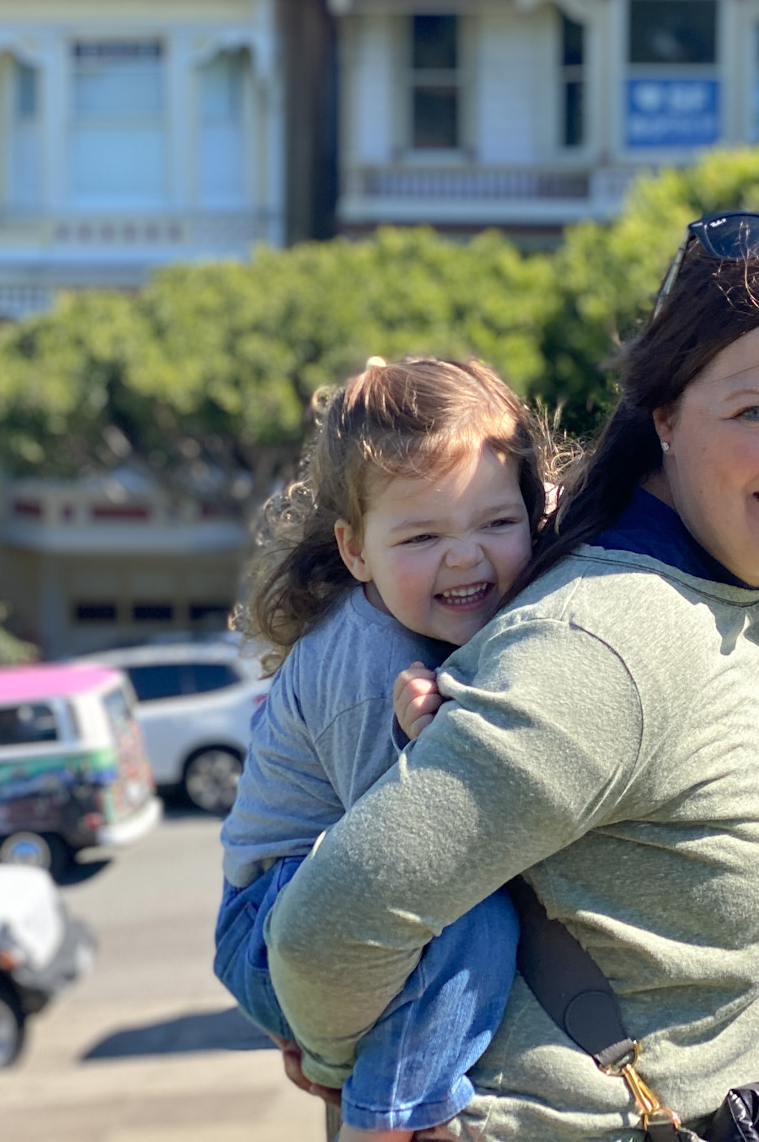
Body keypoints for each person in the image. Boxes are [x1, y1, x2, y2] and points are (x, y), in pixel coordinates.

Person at [262, 210, 759, 1141]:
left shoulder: (741, 586)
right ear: (665, 415)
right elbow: (326, 932)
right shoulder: (610, 645)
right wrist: (363, 1072)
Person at [212, 356, 554, 1142]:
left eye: (497, 523)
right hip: (273, 923)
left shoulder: (416, 620)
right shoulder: (370, 667)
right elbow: (400, 870)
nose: (465, 557)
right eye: (424, 535)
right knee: (478, 923)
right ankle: (392, 1119)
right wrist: (422, 744)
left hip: (291, 910)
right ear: (356, 551)